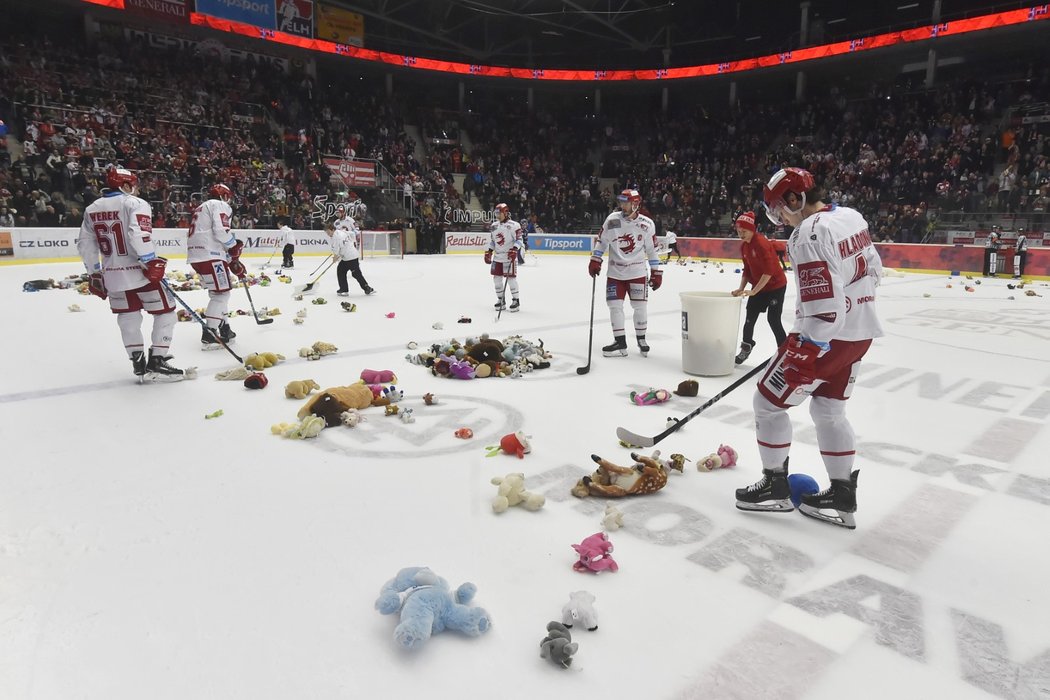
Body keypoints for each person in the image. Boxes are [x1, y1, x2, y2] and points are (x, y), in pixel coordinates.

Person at [735, 168, 883, 529]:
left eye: (779, 210)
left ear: (794, 199)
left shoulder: (808, 233)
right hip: (859, 334)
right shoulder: (851, 216)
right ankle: (841, 494)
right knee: (828, 409)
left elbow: (824, 306)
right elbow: (875, 270)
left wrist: (807, 348)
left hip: (824, 339)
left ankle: (774, 486)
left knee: (766, 404)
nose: (781, 219)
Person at [76, 167, 185, 381]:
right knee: (166, 313)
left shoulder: (91, 209)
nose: (135, 190)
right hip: (140, 273)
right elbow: (139, 234)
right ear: (125, 185)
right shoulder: (134, 203)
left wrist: (94, 273)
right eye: (133, 185)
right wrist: (150, 261)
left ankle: (137, 361)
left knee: (128, 318)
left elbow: (85, 244)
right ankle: (157, 360)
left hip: (113, 275)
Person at [588, 189, 661, 357]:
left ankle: (641, 339)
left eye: (625, 202)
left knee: (640, 306)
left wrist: (656, 272)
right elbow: (602, 241)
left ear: (635, 204)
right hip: (615, 273)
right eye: (621, 201)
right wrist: (595, 259)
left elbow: (652, 250)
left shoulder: (647, 224)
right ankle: (620, 341)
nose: (622, 205)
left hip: (637, 273)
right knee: (614, 306)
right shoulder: (612, 220)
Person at [186, 183, 245, 348]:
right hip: (210, 255)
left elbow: (212, 233)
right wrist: (233, 247)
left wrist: (230, 259)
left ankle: (224, 327)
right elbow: (221, 231)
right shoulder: (220, 205)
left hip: (198, 255)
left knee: (218, 293)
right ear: (224, 196)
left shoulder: (202, 207)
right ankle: (210, 333)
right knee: (221, 295)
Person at [731, 211, 788, 365]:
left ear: (752, 229)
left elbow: (768, 272)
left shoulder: (762, 243)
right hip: (758, 287)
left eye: (744, 231)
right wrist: (740, 288)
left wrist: (754, 291)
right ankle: (746, 347)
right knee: (749, 319)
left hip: (776, 286)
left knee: (773, 319)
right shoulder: (744, 247)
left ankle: (785, 355)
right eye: (738, 231)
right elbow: (747, 270)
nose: (741, 234)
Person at [485, 203, 523, 311]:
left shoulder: (514, 225)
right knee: (496, 279)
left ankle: (516, 300)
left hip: (509, 257)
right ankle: (501, 300)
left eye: (499, 213)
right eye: (496, 213)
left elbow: (520, 240)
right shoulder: (494, 226)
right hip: (497, 257)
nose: (497, 215)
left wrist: (514, 249)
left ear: (505, 212)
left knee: (511, 279)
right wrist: (489, 251)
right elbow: (493, 241)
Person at [325, 221, 373, 296]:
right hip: (348, 256)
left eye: (328, 232)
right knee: (341, 271)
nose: (328, 234)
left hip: (351, 257)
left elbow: (337, 251)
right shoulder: (340, 232)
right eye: (326, 233)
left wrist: (335, 257)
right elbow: (351, 234)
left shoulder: (336, 237)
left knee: (355, 273)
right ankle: (344, 289)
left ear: (333, 230)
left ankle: (367, 288)